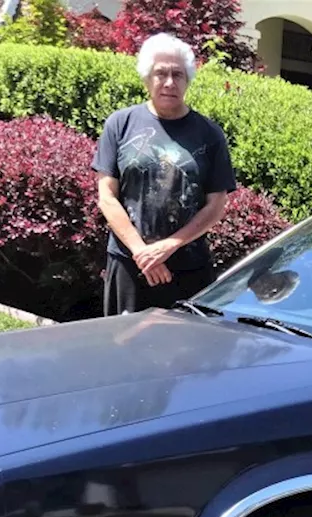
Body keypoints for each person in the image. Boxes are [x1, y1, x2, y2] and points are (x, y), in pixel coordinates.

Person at [92, 32, 237, 315]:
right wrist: (142, 253)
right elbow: (107, 197)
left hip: (187, 270)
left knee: (183, 356)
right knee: (123, 351)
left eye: (178, 74)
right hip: (128, 264)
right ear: (147, 77)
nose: (169, 82)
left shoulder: (209, 134)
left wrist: (168, 246)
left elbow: (216, 205)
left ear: (188, 80)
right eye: (161, 74)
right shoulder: (121, 124)